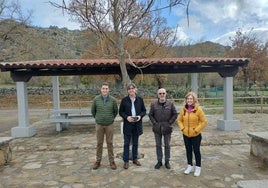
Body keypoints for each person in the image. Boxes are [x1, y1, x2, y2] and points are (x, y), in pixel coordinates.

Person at [177, 91, 207, 177]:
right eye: (188, 99)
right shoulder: (183, 109)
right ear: (185, 100)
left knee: (196, 151)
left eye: (191, 99)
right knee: (188, 150)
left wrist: (196, 130)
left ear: (194, 100)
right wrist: (182, 128)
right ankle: (189, 166)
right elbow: (179, 120)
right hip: (186, 134)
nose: (189, 100)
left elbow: (204, 122)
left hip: (196, 135)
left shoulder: (198, 109)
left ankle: (198, 167)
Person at [119, 82, 147, 169]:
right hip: (127, 124)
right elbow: (121, 112)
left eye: (132, 88)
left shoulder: (140, 99)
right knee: (126, 143)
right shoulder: (124, 100)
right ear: (128, 91)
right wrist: (127, 117)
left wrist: (139, 116)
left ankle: (135, 159)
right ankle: (126, 161)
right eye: (129, 89)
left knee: (135, 143)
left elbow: (144, 111)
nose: (131, 90)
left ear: (135, 89)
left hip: (137, 124)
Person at [91, 82, 118, 170]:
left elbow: (115, 111)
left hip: (109, 125)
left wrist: (110, 118)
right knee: (99, 143)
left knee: (110, 143)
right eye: (103, 88)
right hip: (99, 125)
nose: (105, 90)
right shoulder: (96, 99)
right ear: (101, 89)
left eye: (106, 88)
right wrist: (99, 118)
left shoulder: (113, 100)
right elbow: (93, 111)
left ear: (109, 90)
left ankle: (112, 161)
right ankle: (98, 161)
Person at [149, 88, 178, 169]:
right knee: (158, 145)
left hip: (167, 128)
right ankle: (159, 161)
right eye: (160, 93)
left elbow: (175, 114)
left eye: (163, 93)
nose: (162, 95)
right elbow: (150, 115)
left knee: (167, 145)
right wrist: (154, 123)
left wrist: (169, 123)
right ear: (158, 95)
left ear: (166, 94)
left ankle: (167, 161)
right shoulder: (154, 104)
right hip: (157, 128)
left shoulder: (170, 104)